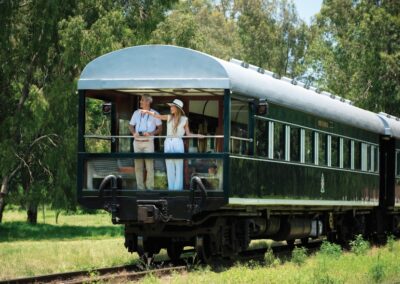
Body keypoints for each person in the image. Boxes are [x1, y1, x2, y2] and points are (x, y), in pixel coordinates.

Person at [141, 99, 200, 190]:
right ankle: (171, 189)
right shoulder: (169, 117)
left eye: (172, 106)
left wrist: (198, 135)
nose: (171, 108)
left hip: (178, 142)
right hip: (168, 141)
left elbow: (188, 134)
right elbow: (158, 116)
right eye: (171, 106)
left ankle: (177, 190)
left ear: (177, 108)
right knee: (169, 167)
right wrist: (147, 112)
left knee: (178, 167)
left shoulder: (185, 119)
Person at [128, 95, 162, 190]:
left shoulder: (155, 113)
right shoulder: (136, 113)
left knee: (149, 167)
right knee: (138, 167)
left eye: (142, 100)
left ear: (148, 102)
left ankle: (150, 188)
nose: (140, 102)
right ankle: (140, 188)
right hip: (137, 142)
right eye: (141, 100)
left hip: (148, 142)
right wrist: (134, 132)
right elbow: (130, 125)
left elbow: (160, 128)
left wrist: (151, 133)